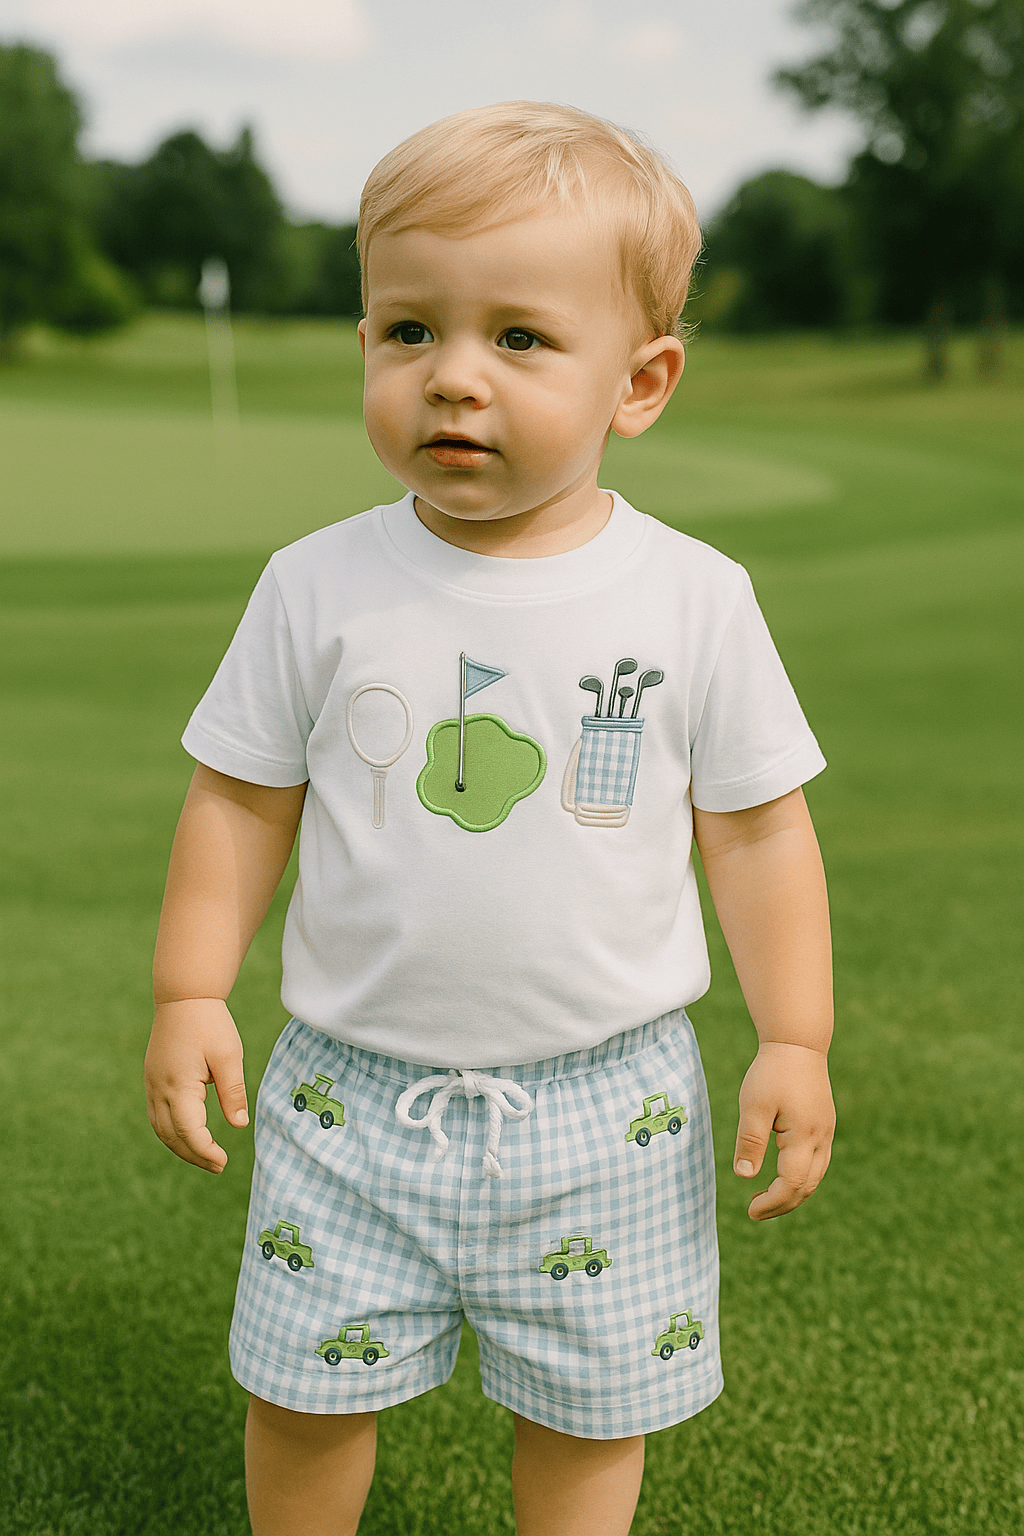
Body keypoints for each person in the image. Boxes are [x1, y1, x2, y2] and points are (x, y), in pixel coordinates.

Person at [145, 101, 836, 1536]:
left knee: (587, 1415)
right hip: (348, 1095)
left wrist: (797, 1035)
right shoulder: (316, 585)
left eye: (518, 339)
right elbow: (240, 796)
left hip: (611, 1103)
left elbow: (759, 832)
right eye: (410, 331)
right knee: (305, 1394)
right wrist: (190, 987)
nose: (453, 378)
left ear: (638, 382)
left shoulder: (692, 598)